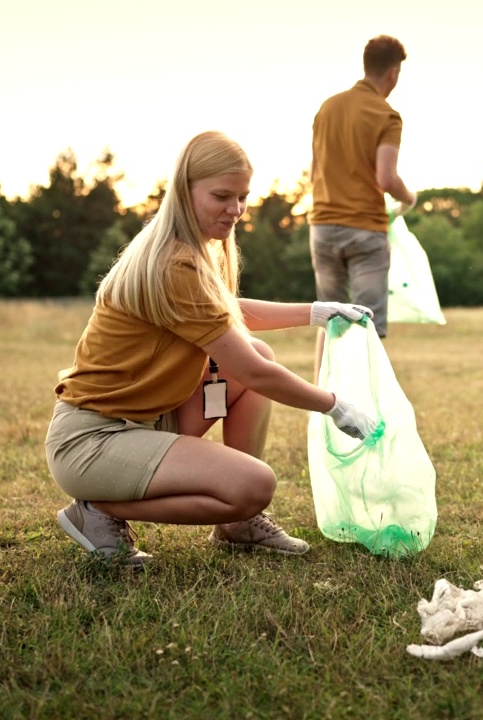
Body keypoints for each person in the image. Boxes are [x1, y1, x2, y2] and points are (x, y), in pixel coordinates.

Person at [46, 131, 378, 566]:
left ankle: (237, 525)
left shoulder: (198, 249)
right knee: (254, 484)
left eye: (242, 197)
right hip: (94, 440)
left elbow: (224, 312)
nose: (235, 210)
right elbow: (255, 375)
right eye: (222, 196)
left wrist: (316, 311)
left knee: (258, 353)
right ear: (185, 191)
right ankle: (98, 509)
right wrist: (334, 405)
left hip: (146, 421)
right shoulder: (172, 261)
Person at [308, 35, 416, 372]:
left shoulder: (328, 107)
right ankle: (364, 406)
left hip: (322, 227)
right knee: (366, 323)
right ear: (393, 72)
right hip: (364, 230)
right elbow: (386, 178)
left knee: (329, 317)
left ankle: (321, 403)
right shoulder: (387, 115)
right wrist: (408, 198)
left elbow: (314, 173)